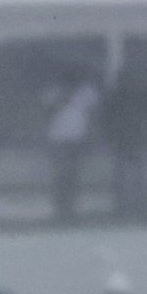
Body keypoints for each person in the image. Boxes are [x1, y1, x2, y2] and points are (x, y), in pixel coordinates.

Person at [45, 73, 102, 223]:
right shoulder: (55, 91)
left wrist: (92, 134)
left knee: (74, 172)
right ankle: (59, 205)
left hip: (78, 137)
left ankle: (72, 205)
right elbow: (46, 111)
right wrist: (61, 98)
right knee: (60, 172)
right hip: (58, 137)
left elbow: (94, 114)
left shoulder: (87, 92)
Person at [100, 69, 147, 219]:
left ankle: (124, 205)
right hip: (130, 140)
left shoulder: (118, 96)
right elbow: (108, 118)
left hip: (126, 140)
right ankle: (133, 205)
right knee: (131, 175)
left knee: (126, 175)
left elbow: (107, 119)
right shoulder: (137, 96)